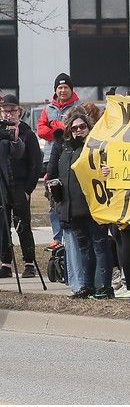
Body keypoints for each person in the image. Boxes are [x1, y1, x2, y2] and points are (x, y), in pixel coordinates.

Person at [49, 108, 113, 298]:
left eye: (82, 126)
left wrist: (108, 172)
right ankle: (86, 286)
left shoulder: (97, 145)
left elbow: (110, 168)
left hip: (94, 206)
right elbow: (57, 174)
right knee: (84, 248)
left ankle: (104, 286)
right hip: (72, 208)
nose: (78, 130)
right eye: (74, 128)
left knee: (100, 246)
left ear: (89, 127)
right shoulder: (65, 148)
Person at [0, 95, 42, 279]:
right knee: (3, 225)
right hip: (2, 185)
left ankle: (29, 262)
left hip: (20, 185)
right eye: (5, 111)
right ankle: (5, 263)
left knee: (22, 225)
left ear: (19, 111)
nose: (9, 114)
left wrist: (28, 189)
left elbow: (35, 163)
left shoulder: (27, 133)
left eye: (12, 110)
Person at [37, 73, 79, 250]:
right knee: (53, 198)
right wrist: (57, 132)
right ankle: (57, 236)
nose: (62, 91)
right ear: (56, 90)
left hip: (71, 157)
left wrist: (57, 128)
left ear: (71, 89)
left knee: (70, 197)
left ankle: (72, 233)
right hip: (51, 159)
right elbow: (40, 130)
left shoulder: (79, 107)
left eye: (65, 87)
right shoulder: (48, 109)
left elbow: (76, 130)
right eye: (59, 88)